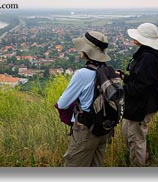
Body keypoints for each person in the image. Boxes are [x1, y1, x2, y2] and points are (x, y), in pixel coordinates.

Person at [55, 31, 112, 167]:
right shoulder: (109, 70)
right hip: (104, 128)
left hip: (86, 130)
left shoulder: (82, 74)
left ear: (85, 51)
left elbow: (62, 104)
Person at [116, 23, 158, 166]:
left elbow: (141, 87)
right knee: (131, 136)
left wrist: (121, 90)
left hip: (141, 106)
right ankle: (143, 159)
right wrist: (125, 77)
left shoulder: (147, 58)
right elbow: (142, 79)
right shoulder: (146, 54)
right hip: (138, 105)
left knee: (136, 140)